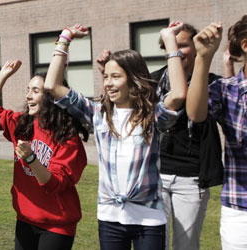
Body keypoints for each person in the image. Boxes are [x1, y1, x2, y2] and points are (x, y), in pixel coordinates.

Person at [44, 23, 186, 250]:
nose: (108, 83)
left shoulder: (152, 116)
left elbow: (178, 94)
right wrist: (65, 37)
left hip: (149, 218)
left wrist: (170, 40)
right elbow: (52, 85)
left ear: (134, 78)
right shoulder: (98, 114)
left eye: (116, 77)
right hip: (110, 218)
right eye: (106, 76)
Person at [95, 22, 224, 250]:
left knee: (186, 245)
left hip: (192, 177)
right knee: (157, 243)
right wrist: (109, 74)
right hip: (157, 175)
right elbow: (125, 95)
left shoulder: (209, 82)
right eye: (170, 45)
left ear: (196, 48)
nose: (175, 50)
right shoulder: (152, 81)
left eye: (182, 45)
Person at [0, 58, 88, 249]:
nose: (28, 96)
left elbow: (54, 184)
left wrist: (31, 158)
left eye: (35, 91)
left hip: (57, 224)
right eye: (28, 90)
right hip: (25, 217)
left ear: (51, 97)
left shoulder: (67, 137)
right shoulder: (23, 124)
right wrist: (3, 75)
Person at [185, 17, 247, 250]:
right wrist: (203, 57)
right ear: (245, 45)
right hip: (241, 211)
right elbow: (195, 113)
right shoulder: (227, 90)